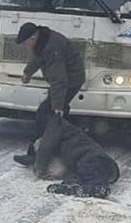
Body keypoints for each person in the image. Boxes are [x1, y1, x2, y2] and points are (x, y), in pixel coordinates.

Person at [12, 22, 85, 165]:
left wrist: (57, 106)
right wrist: (27, 72)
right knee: (57, 118)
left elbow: (59, 80)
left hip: (71, 80)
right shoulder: (43, 41)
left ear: (33, 39)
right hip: (66, 81)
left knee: (45, 114)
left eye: (26, 44)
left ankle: (36, 155)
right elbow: (38, 58)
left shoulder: (52, 48)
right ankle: (61, 151)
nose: (27, 48)